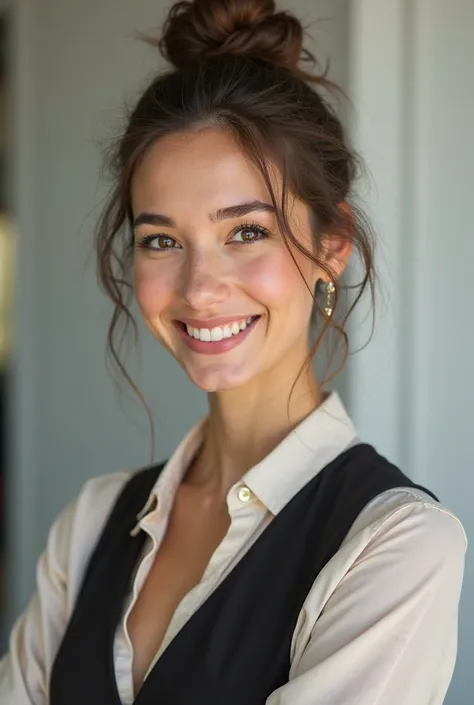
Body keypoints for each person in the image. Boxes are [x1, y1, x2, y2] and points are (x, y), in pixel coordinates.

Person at [0, 1, 467, 703]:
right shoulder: (93, 524)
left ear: (331, 244)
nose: (200, 287)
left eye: (246, 231)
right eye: (161, 239)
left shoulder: (393, 545)